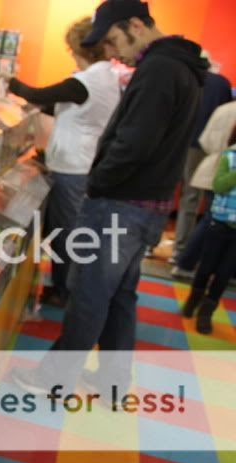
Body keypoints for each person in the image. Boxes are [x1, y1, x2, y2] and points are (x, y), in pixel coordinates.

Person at [12, 0, 209, 395]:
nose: (114, 53)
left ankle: (54, 380)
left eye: (114, 40)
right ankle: (112, 380)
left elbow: (133, 144)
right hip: (149, 204)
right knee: (120, 295)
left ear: (135, 24)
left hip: (121, 203)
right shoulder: (182, 66)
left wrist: (97, 182)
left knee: (89, 293)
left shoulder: (159, 69)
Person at [6, 17, 120, 307]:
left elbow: (39, 94)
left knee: (66, 233)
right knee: (66, 230)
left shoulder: (86, 81)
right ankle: (63, 286)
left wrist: (8, 81)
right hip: (78, 164)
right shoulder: (104, 78)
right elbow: (61, 107)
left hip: (73, 168)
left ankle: (64, 290)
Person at [172, 61, 232, 264]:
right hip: (201, 150)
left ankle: (151, 245)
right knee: (192, 199)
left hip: (175, 141)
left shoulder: (182, 77)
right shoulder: (221, 85)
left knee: (166, 193)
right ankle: (180, 251)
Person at [181, 125, 236, 334]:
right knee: (206, 266)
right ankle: (193, 299)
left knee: (224, 273)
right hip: (219, 223)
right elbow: (219, 185)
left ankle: (207, 312)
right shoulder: (228, 157)